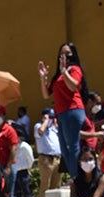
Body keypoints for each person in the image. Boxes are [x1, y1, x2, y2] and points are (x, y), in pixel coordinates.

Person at [39, 42, 89, 179]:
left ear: (73, 54)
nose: (64, 56)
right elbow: (45, 95)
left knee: (72, 146)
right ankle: (75, 176)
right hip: (61, 114)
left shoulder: (74, 69)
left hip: (73, 110)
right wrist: (43, 78)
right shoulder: (59, 74)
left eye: (68, 53)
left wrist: (64, 72)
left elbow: (73, 86)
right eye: (62, 53)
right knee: (64, 149)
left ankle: (77, 178)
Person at [35, 108, 62, 197]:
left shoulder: (53, 129)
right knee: (45, 185)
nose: (52, 119)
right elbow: (41, 131)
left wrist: (56, 123)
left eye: (53, 117)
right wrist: (46, 120)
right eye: (50, 116)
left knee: (56, 185)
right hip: (46, 159)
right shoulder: (38, 126)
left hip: (57, 159)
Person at [11, 128, 34, 197]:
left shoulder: (24, 146)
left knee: (26, 190)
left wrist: (29, 167)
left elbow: (31, 158)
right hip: (15, 171)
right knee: (16, 192)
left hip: (23, 171)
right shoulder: (14, 146)